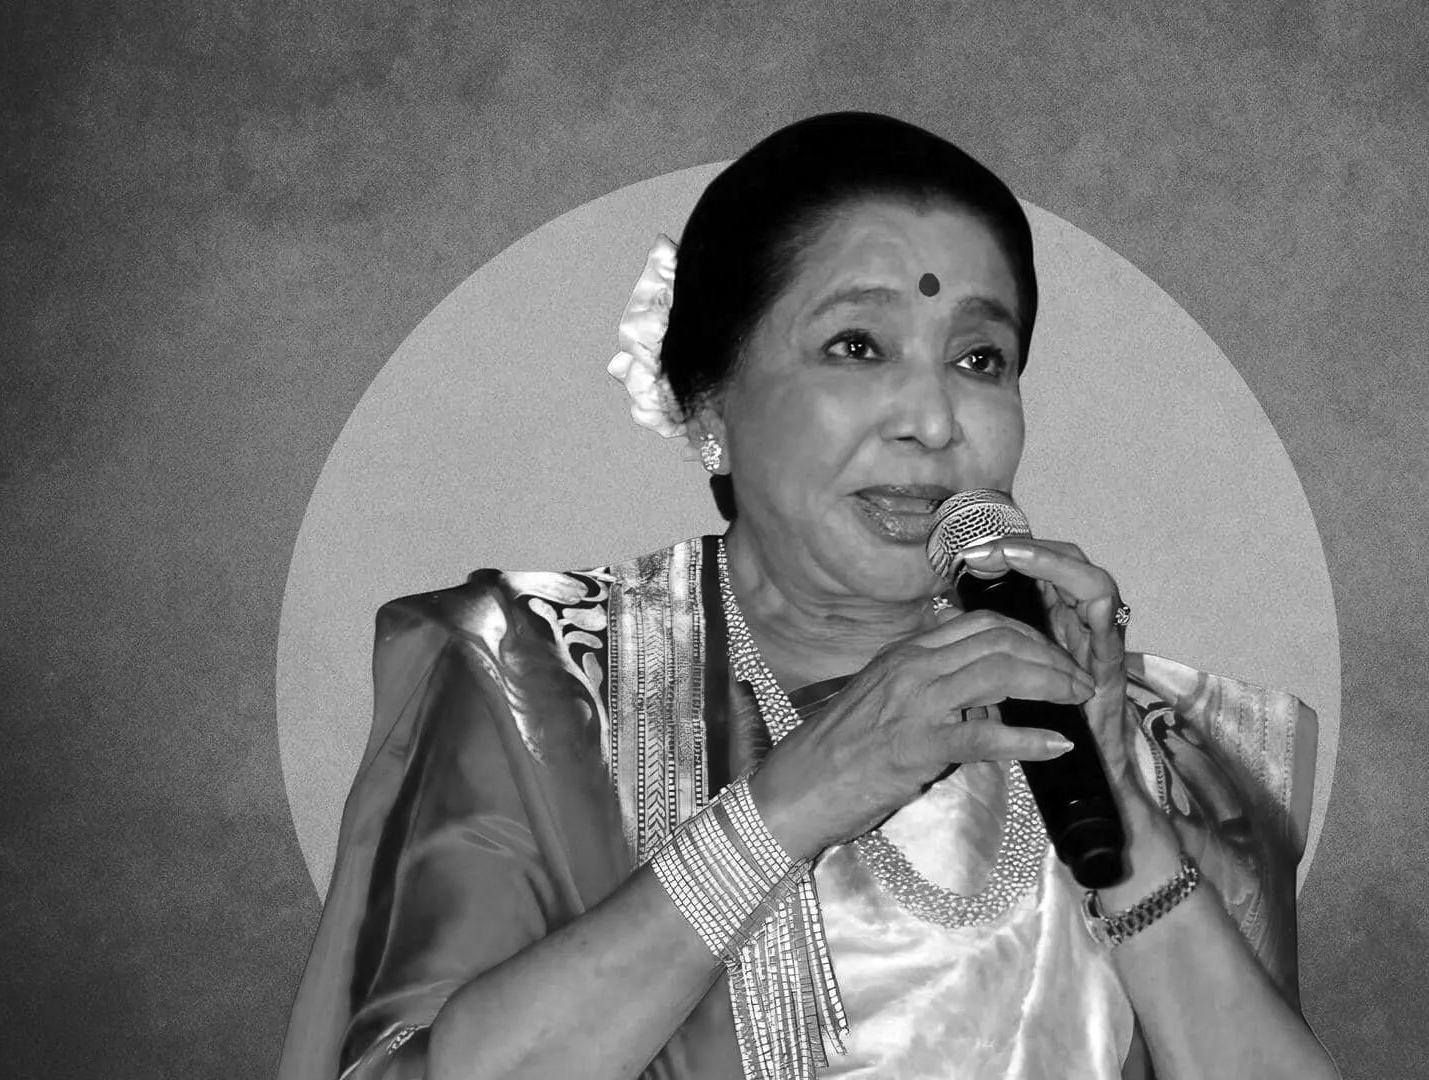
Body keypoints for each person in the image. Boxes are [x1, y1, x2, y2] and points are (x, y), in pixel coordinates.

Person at [277, 111, 1338, 1080]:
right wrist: (792, 804)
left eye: (980, 358)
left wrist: (1129, 827)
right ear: (709, 403)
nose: (934, 420)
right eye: (857, 347)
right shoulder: (538, 677)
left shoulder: (1158, 748)